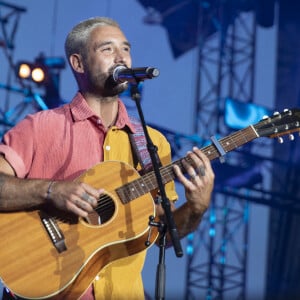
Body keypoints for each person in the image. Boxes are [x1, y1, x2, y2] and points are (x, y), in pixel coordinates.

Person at [0, 17, 214, 299]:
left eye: (125, 49)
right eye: (107, 49)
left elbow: (161, 232)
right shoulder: (40, 127)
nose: (121, 57)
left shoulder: (152, 143)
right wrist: (51, 190)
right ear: (78, 63)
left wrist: (196, 208)